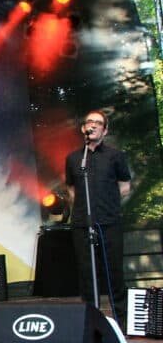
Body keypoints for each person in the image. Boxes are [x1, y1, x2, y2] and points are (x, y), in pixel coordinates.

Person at [65, 110, 131, 325]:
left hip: (109, 221)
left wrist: (106, 205)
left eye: (98, 123)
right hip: (82, 223)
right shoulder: (74, 158)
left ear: (105, 129)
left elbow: (124, 186)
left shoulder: (115, 156)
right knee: (86, 274)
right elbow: (71, 189)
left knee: (113, 272)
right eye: (89, 122)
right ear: (83, 128)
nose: (93, 125)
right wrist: (83, 209)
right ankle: (93, 321)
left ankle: (121, 321)